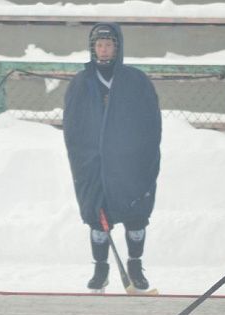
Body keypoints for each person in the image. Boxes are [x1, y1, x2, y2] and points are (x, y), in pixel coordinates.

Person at [62, 22, 161, 293]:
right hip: (94, 163)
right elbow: (73, 127)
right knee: (98, 215)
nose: (104, 50)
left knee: (135, 214)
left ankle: (135, 265)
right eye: (99, 45)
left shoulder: (135, 81)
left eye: (109, 45)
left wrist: (139, 156)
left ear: (117, 48)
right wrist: (85, 157)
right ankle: (101, 268)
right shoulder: (81, 83)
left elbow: (150, 125)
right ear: (93, 48)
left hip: (128, 163)